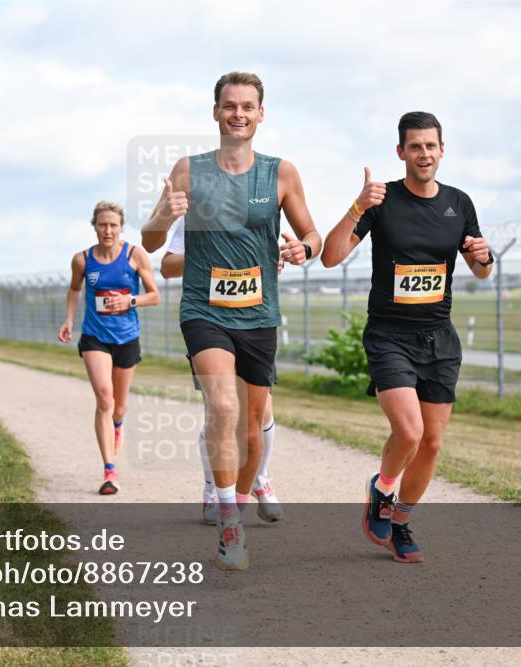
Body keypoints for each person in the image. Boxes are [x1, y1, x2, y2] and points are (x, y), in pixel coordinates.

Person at [141, 72, 321, 570]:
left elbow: (312, 233)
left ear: (261, 114)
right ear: (215, 112)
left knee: (250, 432)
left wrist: (302, 247)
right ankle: (230, 523)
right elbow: (153, 242)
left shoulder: (281, 173)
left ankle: (237, 502)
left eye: (247, 106)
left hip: (259, 314)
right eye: (229, 106)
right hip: (205, 311)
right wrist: (164, 215)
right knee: (222, 405)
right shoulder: (189, 170)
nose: (238, 114)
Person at [321, 111, 493, 563]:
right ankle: (382, 488)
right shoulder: (382, 201)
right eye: (414, 146)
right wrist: (357, 206)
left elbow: (480, 268)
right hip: (390, 335)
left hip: (439, 337)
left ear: (442, 150)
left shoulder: (459, 202)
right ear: (401, 152)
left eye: (430, 146)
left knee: (431, 443)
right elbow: (330, 258)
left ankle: (401, 522)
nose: (424, 154)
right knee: (409, 431)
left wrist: (484, 256)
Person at [162, 217, 284, 525]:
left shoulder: (261, 207)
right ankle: (212, 490)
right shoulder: (194, 217)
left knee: (260, 415)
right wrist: (206, 252)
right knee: (221, 409)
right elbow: (167, 266)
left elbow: (274, 257)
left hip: (255, 321)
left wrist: (278, 258)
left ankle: (259, 478)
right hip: (208, 322)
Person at [58, 201, 159, 495]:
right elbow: (75, 290)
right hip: (95, 337)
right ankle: (109, 471)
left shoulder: (134, 254)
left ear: (121, 227)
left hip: (127, 337)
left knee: (119, 405)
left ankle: (118, 423)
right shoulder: (82, 260)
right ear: (94, 226)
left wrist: (129, 301)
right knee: (105, 398)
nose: (108, 230)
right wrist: (68, 319)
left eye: (113, 225)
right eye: (102, 224)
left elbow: (154, 296)